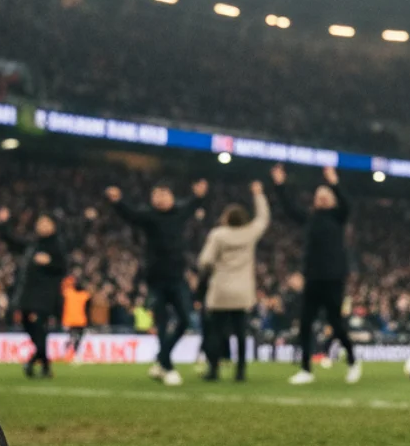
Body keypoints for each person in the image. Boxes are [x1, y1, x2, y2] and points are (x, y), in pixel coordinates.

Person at [105, 178, 208, 387]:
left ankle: (161, 359)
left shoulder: (179, 213)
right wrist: (117, 202)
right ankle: (167, 367)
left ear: (171, 197)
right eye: (156, 195)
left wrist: (198, 196)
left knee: (186, 320)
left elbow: (191, 205)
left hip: (177, 277)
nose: (160, 199)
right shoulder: (148, 216)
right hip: (155, 279)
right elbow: (130, 215)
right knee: (160, 323)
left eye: (164, 194)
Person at [271, 164, 359, 386]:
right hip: (312, 278)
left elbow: (348, 204)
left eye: (325, 194)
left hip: (333, 278)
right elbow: (289, 208)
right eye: (318, 195)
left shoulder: (338, 217)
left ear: (332, 199)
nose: (320, 198)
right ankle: (305, 369)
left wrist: (334, 182)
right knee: (305, 323)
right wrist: (280, 185)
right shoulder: (310, 218)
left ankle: (352, 360)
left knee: (335, 323)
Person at [197, 181, 271, 382]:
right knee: (240, 332)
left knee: (215, 332)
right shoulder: (249, 233)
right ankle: (240, 371)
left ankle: (213, 370)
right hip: (242, 292)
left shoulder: (218, 235)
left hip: (220, 290)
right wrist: (258, 195)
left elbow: (205, 261)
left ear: (227, 218)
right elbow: (263, 218)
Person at [0, 208, 67, 378]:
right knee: (32, 329)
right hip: (27, 295)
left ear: (53, 226)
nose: (42, 226)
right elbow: (12, 241)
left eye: (46, 223)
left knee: (38, 328)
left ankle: (36, 362)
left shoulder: (56, 245)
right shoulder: (33, 244)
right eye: (40, 223)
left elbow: (63, 268)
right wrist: (3, 224)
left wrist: (49, 262)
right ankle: (43, 363)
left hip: (44, 296)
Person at [61, 277, 91, 363]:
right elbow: (87, 309)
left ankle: (71, 352)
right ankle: (75, 354)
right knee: (77, 338)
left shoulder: (68, 293)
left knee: (74, 337)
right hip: (78, 321)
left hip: (71, 320)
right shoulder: (84, 295)